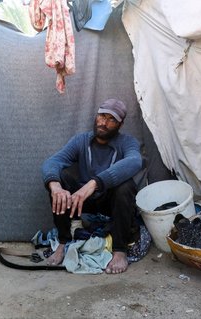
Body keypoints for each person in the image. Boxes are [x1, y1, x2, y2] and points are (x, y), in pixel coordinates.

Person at [41, 98, 143, 274]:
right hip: (82, 200)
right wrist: (55, 185)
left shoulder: (127, 142)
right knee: (61, 180)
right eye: (101, 116)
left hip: (111, 202)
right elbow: (54, 161)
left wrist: (94, 183)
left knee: (125, 186)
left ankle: (119, 250)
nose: (104, 123)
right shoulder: (81, 140)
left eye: (111, 119)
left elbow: (135, 161)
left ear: (120, 124)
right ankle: (64, 242)